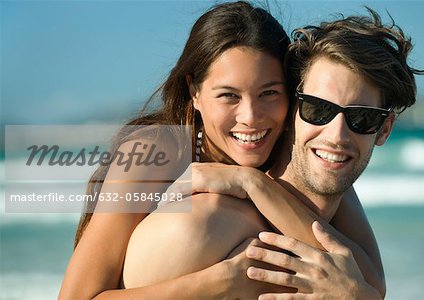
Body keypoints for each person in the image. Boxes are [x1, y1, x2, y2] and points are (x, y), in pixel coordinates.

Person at [58, 2, 387, 299]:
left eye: (269, 93)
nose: (251, 117)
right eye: (229, 96)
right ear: (195, 92)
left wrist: (252, 183)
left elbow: (369, 285)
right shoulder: (155, 151)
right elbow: (76, 297)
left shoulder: (299, 150)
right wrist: (221, 281)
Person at [122, 6, 424, 299]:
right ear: (292, 112)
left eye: (362, 118)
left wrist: (252, 183)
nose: (337, 135)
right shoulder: (199, 226)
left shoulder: (336, 211)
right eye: (318, 109)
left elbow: (373, 288)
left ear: (384, 129)